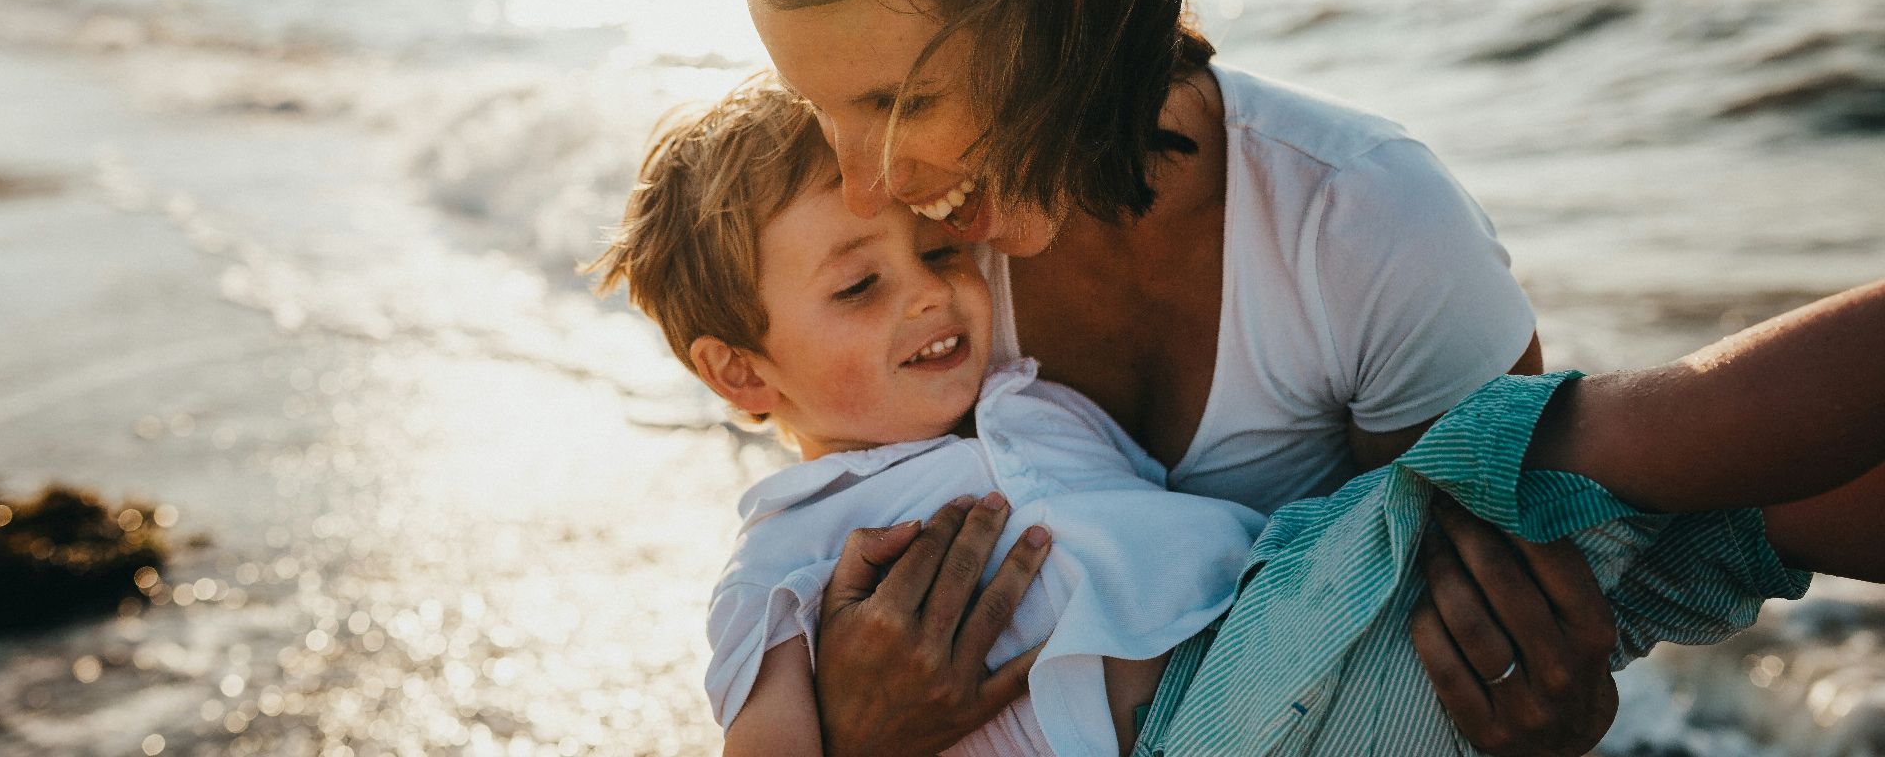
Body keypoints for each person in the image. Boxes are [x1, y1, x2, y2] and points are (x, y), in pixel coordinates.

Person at [704, 0, 1621, 754]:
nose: (864, 184)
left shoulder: (1366, 228)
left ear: (1065, 13)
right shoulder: (903, 271)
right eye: (818, 106)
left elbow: (1501, 642)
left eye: (897, 105)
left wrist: (1556, 712)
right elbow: (830, 551)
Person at [588, 79, 1885, 757]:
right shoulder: (790, 552)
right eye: (860, 287)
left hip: (1308, 672)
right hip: (1214, 723)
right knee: (1579, 449)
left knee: (1716, 525)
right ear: (741, 375)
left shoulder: (1029, 406)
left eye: (934, 254)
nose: (933, 295)